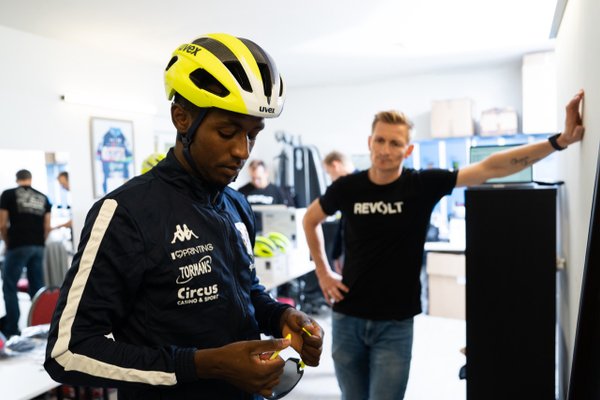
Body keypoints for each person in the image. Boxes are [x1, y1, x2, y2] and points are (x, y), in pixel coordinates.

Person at [45, 33, 323, 400]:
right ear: (182, 119)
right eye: (227, 132)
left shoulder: (237, 205)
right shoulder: (125, 213)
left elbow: (244, 290)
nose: (243, 151)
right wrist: (203, 365)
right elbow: (67, 352)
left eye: (253, 135)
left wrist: (278, 316)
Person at [303, 90, 585, 399]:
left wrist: (559, 141)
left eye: (395, 143)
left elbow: (491, 168)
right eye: (380, 140)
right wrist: (323, 273)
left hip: (395, 324)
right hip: (348, 318)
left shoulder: (421, 185)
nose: (385, 149)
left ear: (408, 150)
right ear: (370, 142)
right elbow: (310, 219)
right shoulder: (347, 187)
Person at [0, 169, 52, 337]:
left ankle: (11, 329)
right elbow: (47, 226)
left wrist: (8, 242)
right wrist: (40, 242)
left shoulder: (8, 194)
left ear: (17, 179)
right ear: (30, 179)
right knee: (37, 288)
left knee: (9, 286)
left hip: (18, 244)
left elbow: (2, 224)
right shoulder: (43, 197)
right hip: (38, 246)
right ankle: (41, 327)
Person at [322, 151, 357, 274]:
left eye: (328, 173)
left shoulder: (353, 185)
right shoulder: (344, 189)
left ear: (335, 165)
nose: (330, 178)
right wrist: (336, 254)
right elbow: (344, 222)